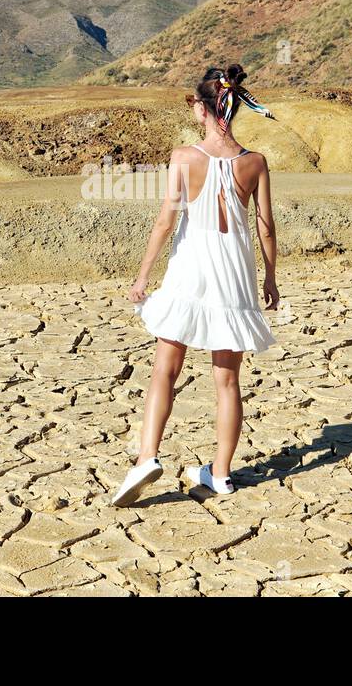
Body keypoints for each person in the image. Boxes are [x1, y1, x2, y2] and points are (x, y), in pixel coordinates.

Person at [113, 64, 279, 507]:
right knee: (227, 381)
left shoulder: (184, 157)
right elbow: (265, 227)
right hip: (234, 272)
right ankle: (221, 474)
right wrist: (270, 278)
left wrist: (144, 275)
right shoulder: (255, 162)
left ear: (202, 108)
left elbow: (166, 220)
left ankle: (147, 457)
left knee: (165, 369)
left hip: (191, 266)